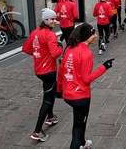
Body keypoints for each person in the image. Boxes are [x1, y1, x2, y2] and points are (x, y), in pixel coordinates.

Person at [57, 23, 114, 149]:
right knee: (78, 128)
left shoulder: (69, 49)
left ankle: (83, 143)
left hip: (68, 94)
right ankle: (78, 143)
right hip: (80, 96)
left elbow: (61, 71)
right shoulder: (86, 53)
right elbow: (86, 79)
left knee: (79, 123)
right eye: (93, 34)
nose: (96, 36)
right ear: (86, 36)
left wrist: (59, 89)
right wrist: (104, 67)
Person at [22, 8, 63, 142]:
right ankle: (37, 131)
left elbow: (26, 49)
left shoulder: (34, 33)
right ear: (45, 20)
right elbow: (55, 53)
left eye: (55, 18)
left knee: (50, 93)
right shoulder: (50, 35)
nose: (54, 21)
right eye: (51, 19)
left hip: (39, 70)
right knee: (47, 98)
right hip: (49, 71)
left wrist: (38, 55)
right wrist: (60, 45)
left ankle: (50, 117)